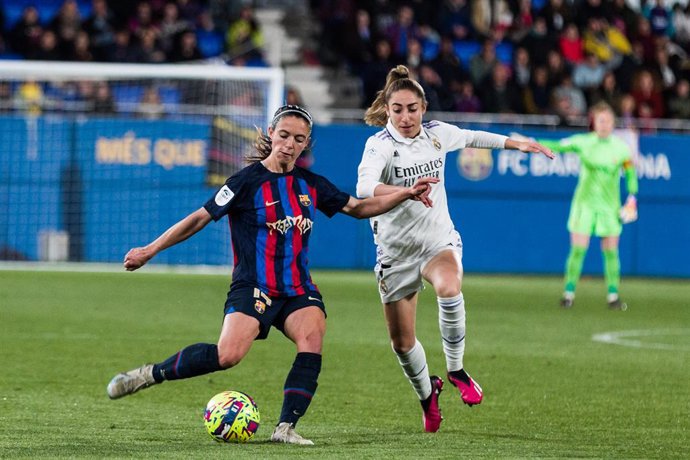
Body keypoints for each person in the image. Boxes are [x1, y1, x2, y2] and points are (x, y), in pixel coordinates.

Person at [106, 104, 438, 445]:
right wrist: (150, 250)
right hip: (254, 286)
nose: (289, 144)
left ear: (306, 143)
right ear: (270, 134)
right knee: (228, 355)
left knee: (312, 340)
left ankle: (286, 428)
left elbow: (357, 207)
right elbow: (199, 218)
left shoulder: (311, 184)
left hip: (297, 289)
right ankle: (150, 374)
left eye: (298, 139)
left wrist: (404, 194)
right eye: (283, 136)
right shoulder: (245, 182)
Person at [356, 65, 554, 433]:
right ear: (386, 108)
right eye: (397, 109)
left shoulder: (437, 135)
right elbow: (366, 188)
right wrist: (406, 190)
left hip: (436, 241)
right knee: (402, 344)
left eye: (412, 108)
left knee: (449, 286)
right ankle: (427, 395)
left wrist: (518, 143)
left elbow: (474, 137)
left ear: (424, 107)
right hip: (395, 253)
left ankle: (456, 369)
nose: (405, 116)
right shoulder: (378, 145)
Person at [538, 102, 638, 310]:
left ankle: (613, 296)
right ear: (594, 122)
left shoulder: (620, 148)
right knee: (578, 250)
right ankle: (568, 293)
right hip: (584, 205)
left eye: (608, 121)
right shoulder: (583, 142)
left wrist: (632, 197)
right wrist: (533, 143)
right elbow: (558, 146)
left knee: (611, 252)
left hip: (610, 207)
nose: (604, 125)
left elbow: (630, 172)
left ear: (613, 123)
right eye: (601, 120)